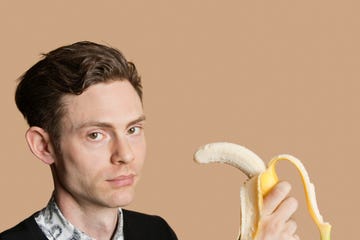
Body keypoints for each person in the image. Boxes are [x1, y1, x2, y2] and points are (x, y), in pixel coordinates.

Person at [0, 41, 299, 240]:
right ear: (44, 146)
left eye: (133, 129)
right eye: (96, 135)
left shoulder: (156, 233)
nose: (125, 155)